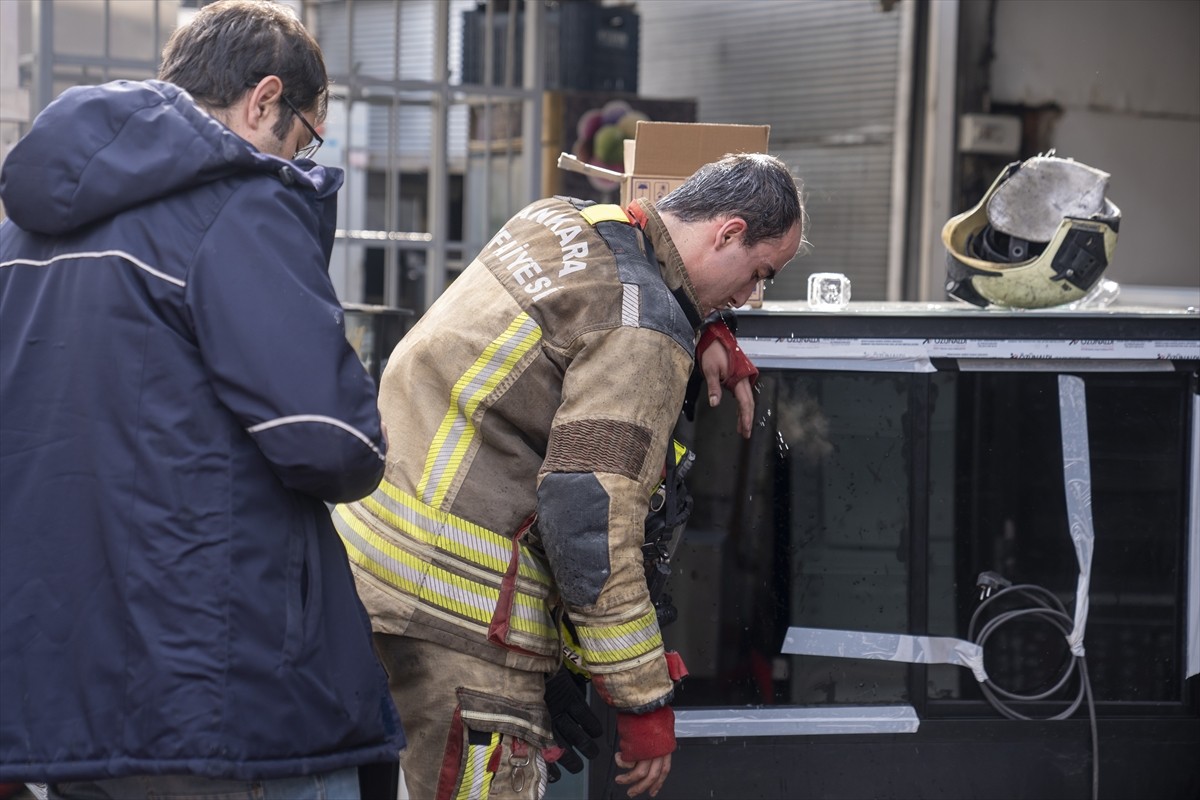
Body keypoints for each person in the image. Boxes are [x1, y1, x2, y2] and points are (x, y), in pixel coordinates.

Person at [0, 2, 403, 798]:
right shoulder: (240, 206)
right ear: (264, 100)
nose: (300, 155)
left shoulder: (19, 236)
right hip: (212, 685)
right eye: (306, 136)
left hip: (53, 687)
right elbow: (332, 440)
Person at [334, 152, 803, 799]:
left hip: (371, 564)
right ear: (726, 231)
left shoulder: (556, 222)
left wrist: (707, 324)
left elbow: (591, 311)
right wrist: (643, 701)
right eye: (758, 273)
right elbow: (590, 525)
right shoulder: (642, 333)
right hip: (461, 615)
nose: (751, 295)